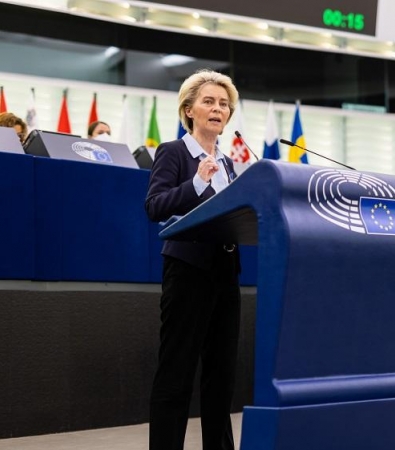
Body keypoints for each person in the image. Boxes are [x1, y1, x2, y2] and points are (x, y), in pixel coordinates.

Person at [145, 69, 240, 450]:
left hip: (226, 273)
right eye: (209, 102)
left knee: (221, 377)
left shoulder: (231, 164)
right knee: (177, 373)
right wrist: (197, 182)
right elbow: (154, 206)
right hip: (187, 272)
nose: (218, 109)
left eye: (224, 104)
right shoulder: (174, 153)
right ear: (189, 110)